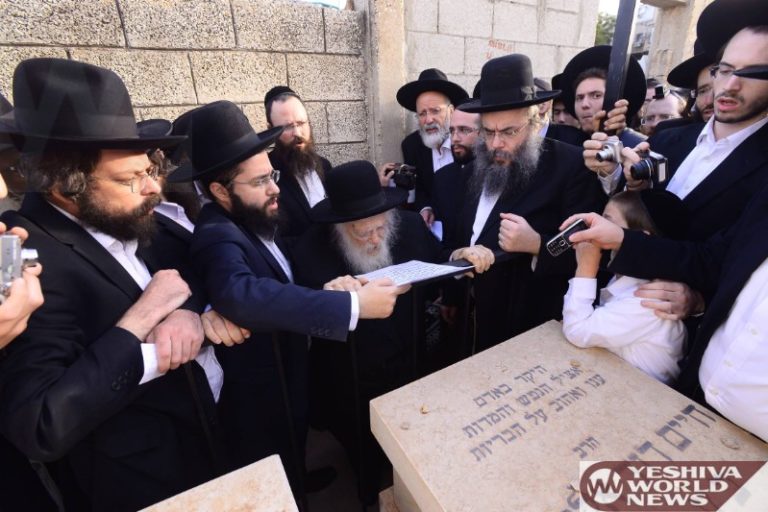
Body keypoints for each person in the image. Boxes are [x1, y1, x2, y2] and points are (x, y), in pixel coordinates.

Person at [0, 58, 228, 511]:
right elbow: (40, 423)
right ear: (65, 186)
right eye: (129, 179)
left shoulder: (132, 216)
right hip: (142, 483)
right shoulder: (18, 254)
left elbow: (189, 274)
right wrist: (142, 321)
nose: (153, 188)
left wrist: (186, 313)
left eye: (150, 169)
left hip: (206, 436)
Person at [167, 100, 407, 494]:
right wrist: (350, 306)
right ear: (219, 191)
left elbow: (277, 279)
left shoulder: (251, 217)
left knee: (293, 453)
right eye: (260, 181)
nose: (275, 187)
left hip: (288, 376)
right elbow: (241, 293)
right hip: (261, 394)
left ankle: (299, 479)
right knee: (273, 474)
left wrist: (323, 290)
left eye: (272, 175)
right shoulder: (217, 234)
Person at [292, 160, 442, 505]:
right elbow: (302, 304)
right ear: (340, 228)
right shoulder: (312, 248)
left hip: (406, 352)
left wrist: (459, 255)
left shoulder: (408, 226)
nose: (375, 238)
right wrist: (327, 294)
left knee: (410, 428)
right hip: (349, 369)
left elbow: (436, 259)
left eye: (380, 227)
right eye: (362, 233)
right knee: (361, 442)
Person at [446, 54, 605, 350]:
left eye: (509, 131)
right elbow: (458, 237)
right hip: (473, 324)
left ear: (535, 122)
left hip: (528, 329)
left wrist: (537, 244)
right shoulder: (474, 169)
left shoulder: (571, 167)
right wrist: (458, 260)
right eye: (488, 132)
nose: (496, 143)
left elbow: (590, 254)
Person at [562, 190, 689, 384]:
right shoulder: (624, 276)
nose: (597, 229)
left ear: (640, 239)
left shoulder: (649, 300)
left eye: (607, 222)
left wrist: (586, 268)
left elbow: (577, 331)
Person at [392, 68, 468, 223]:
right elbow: (419, 188)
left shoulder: (467, 142)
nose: (428, 120)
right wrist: (425, 208)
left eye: (435, 111)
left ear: (451, 111)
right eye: (422, 113)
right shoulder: (411, 145)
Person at [264, 86, 332, 239]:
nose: (298, 133)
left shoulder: (324, 165)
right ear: (271, 129)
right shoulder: (267, 177)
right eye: (287, 127)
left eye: (301, 123)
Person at [559, 45, 647, 146]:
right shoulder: (564, 144)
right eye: (579, 98)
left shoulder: (639, 146)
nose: (584, 104)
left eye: (596, 95)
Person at [431, 105, 480, 242]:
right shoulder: (442, 177)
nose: (455, 138)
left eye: (464, 130)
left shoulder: (498, 177)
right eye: (452, 131)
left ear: (483, 133)